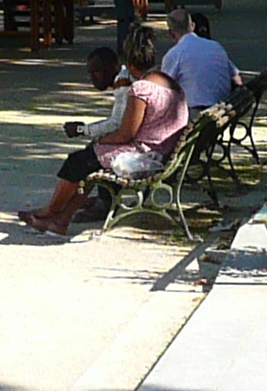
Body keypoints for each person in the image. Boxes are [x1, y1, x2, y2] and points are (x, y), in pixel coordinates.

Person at [18, 22, 188, 235]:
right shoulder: (168, 82)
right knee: (88, 162)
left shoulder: (141, 89)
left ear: (127, 61)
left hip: (147, 157)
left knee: (78, 161)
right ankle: (60, 220)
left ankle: (50, 211)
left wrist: (99, 140)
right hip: (163, 151)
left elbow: (126, 133)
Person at [158, 6, 237, 110]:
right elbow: (236, 77)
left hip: (195, 112)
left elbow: (163, 90)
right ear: (193, 26)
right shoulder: (216, 46)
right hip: (221, 108)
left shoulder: (174, 54)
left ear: (171, 33)